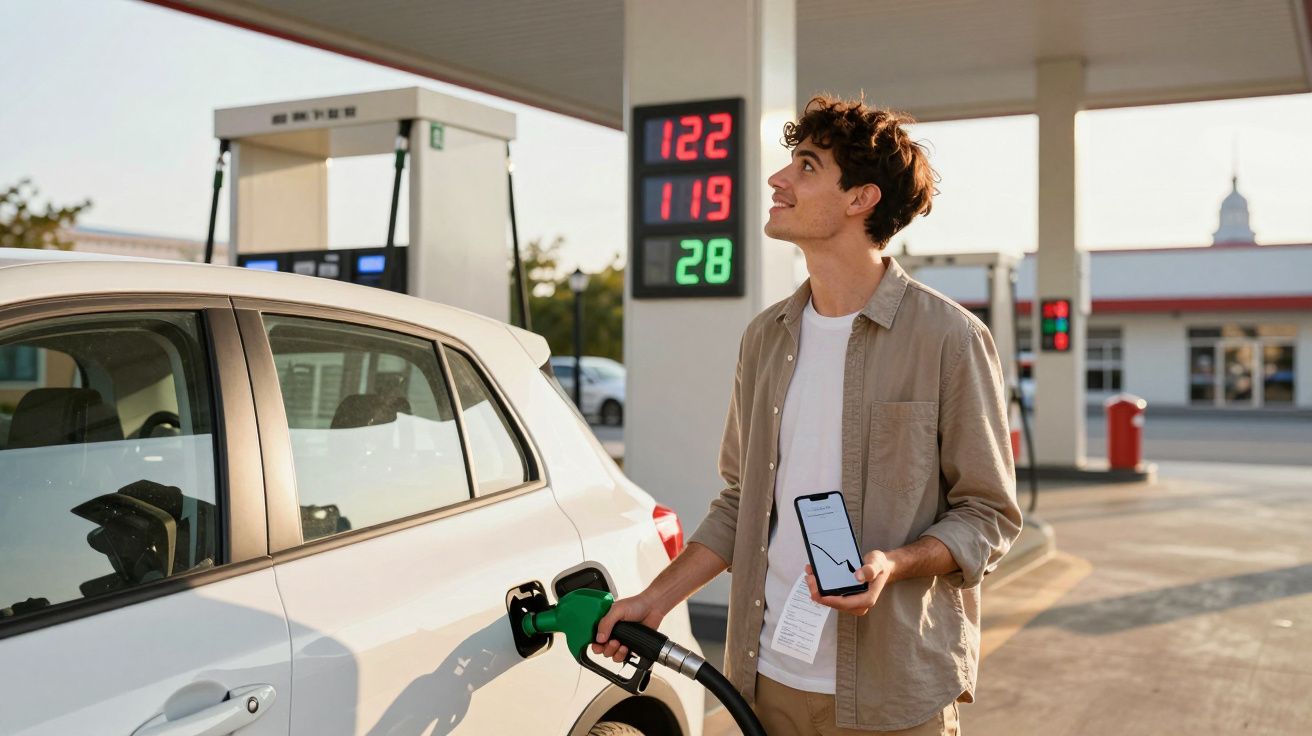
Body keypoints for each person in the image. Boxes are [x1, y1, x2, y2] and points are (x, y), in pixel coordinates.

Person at [594, 95, 1023, 734]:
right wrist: (654, 601)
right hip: (766, 682)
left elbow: (989, 514)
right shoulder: (766, 338)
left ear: (861, 199)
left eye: (807, 165)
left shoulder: (949, 338)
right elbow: (742, 502)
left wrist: (892, 564)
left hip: (893, 694)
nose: (778, 179)